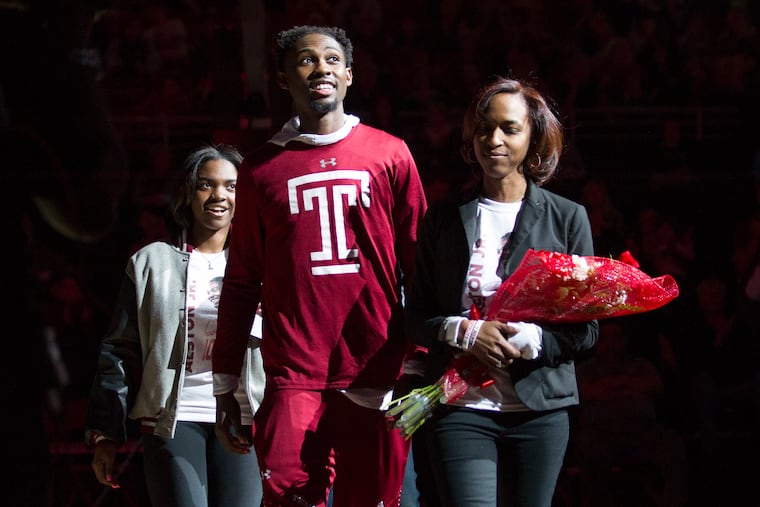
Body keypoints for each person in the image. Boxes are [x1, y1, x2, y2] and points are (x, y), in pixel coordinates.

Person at [212, 25, 427, 507]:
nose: (321, 68)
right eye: (306, 60)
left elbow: (420, 263)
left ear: (349, 75)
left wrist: (420, 357)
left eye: (332, 59)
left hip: (377, 366)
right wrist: (224, 380)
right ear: (284, 79)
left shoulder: (390, 154)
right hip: (294, 372)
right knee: (288, 497)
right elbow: (243, 279)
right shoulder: (260, 169)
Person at [403, 76, 599, 507]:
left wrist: (535, 340)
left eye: (509, 128)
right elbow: (414, 317)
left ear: (534, 137)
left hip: (541, 410)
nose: (494, 139)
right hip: (461, 407)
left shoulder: (568, 218)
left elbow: (586, 332)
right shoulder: (444, 217)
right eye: (484, 128)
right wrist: (462, 332)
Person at [85, 144, 265, 507]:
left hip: (245, 419)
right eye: (206, 184)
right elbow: (118, 349)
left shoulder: (266, 265)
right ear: (188, 192)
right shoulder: (150, 262)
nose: (219, 195)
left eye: (231, 186)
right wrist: (105, 433)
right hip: (174, 420)